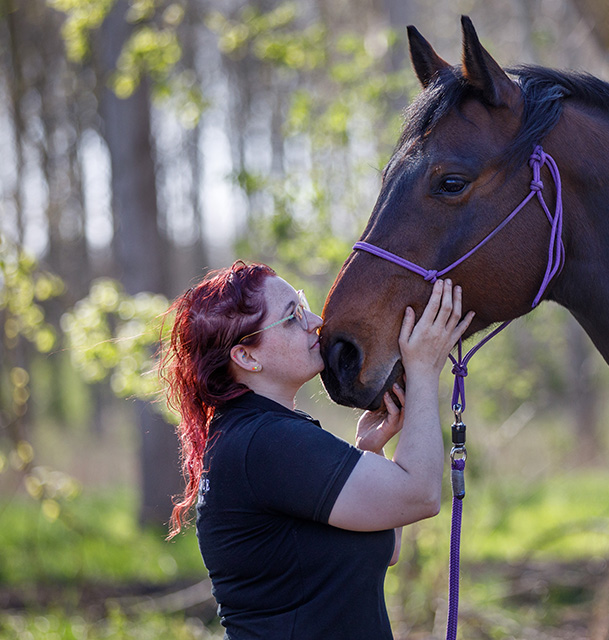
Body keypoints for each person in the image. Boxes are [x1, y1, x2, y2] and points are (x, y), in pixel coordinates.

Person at [159, 260, 473, 639]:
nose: (314, 321)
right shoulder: (265, 442)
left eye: (302, 305)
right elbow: (420, 495)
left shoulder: (258, 434)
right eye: (291, 317)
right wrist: (423, 369)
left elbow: (386, 546)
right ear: (246, 357)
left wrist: (370, 452)